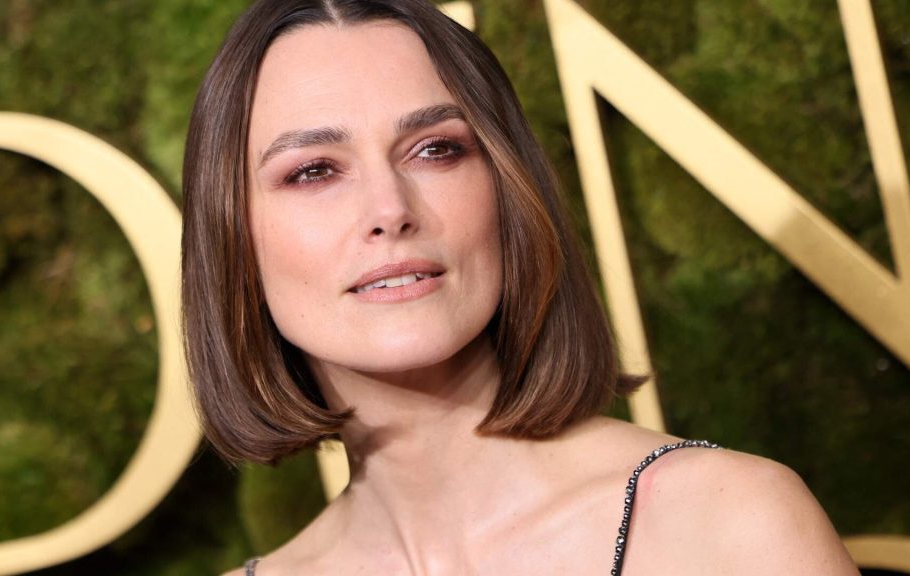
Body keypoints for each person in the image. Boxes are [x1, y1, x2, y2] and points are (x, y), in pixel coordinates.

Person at [181, 0, 860, 574]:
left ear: (509, 190)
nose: (390, 209)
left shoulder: (726, 527)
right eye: (313, 171)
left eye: (437, 149)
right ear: (233, 240)